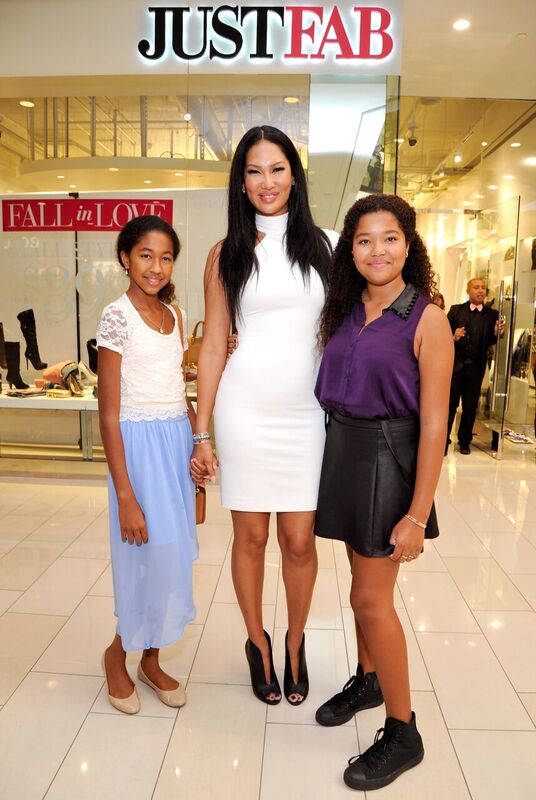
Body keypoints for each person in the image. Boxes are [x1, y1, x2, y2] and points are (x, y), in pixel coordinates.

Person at [190, 125, 336, 706]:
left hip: (307, 413)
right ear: (240, 182)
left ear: (294, 176)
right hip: (244, 408)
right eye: (254, 171)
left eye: (277, 169)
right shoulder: (225, 254)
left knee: (300, 541)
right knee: (249, 537)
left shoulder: (327, 244)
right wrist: (202, 430)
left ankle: (296, 639)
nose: (266, 182)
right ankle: (258, 641)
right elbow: (211, 343)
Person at [314, 194, 453, 791]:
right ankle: (369, 681)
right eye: (364, 240)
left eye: (389, 238)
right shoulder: (343, 310)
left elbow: (433, 426)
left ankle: (404, 730)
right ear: (351, 248)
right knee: (357, 590)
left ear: (408, 243)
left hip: (389, 461)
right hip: (345, 453)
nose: (377, 250)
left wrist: (417, 515)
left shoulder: (426, 319)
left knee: (374, 601)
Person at [97, 215, 198, 714]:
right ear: (124, 258)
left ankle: (151, 660)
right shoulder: (116, 316)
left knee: (171, 558)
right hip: (136, 451)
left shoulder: (176, 316)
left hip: (175, 443)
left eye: (165, 257)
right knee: (142, 561)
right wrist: (125, 495)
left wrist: (199, 443)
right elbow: (109, 414)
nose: (156, 267)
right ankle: (117, 656)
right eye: (145, 256)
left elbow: (180, 387)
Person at [446, 277, 500, 454]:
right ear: (468, 291)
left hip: (476, 369)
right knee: (450, 405)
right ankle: (443, 439)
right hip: (455, 368)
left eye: (483, 288)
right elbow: (442, 336)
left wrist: (497, 334)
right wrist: (453, 335)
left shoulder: (492, 315)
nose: (480, 291)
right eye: (476, 287)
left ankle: (464, 442)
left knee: (470, 407)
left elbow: (492, 340)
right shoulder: (455, 311)